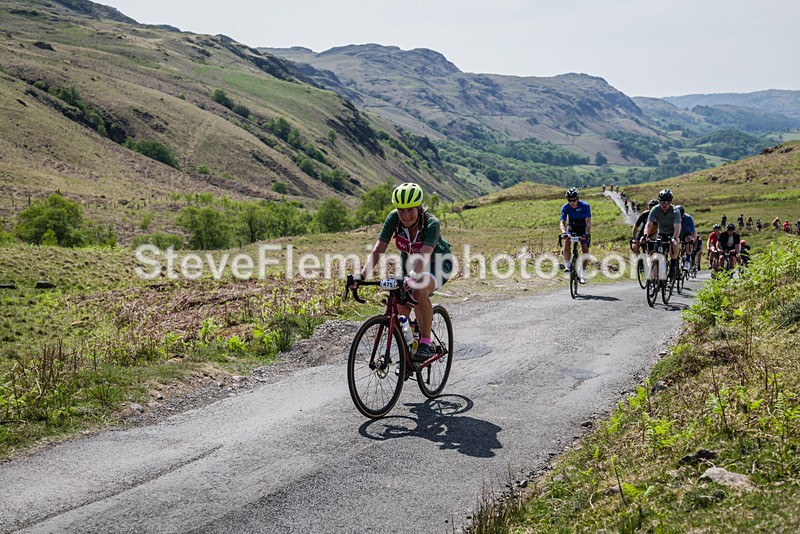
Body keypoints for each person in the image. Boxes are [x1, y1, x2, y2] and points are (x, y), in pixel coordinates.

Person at [357, 182, 452, 364]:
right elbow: (378, 249)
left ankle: (425, 342)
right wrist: (361, 276)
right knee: (400, 307)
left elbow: (425, 255)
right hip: (409, 264)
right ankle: (411, 350)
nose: (406, 215)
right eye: (401, 210)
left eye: (410, 210)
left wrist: (412, 277)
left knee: (418, 288)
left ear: (418, 207)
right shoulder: (394, 219)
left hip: (437, 264)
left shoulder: (431, 223)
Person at [643, 189, 681, 277]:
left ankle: (673, 267)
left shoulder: (675, 211)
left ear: (670, 202)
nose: (664, 205)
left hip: (672, 233)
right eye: (662, 202)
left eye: (667, 202)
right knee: (656, 256)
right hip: (661, 234)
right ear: (659, 201)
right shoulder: (655, 209)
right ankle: (654, 278)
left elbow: (677, 227)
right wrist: (645, 236)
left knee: (675, 245)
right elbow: (648, 225)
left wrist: (674, 238)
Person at [559, 187, 592, 284]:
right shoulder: (565, 207)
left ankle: (583, 271)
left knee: (585, 247)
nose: (571, 202)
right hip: (572, 227)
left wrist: (586, 233)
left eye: (573, 200)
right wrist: (564, 232)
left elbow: (588, 223)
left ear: (578, 199)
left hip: (583, 227)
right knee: (566, 241)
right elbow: (562, 222)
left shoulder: (585, 206)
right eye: (569, 200)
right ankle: (568, 265)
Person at [676, 205, 697, 271]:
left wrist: (692, 241)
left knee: (688, 239)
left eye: (681, 216)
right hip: (677, 233)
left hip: (686, 233)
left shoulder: (688, 218)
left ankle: (687, 260)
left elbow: (693, 232)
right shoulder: (673, 218)